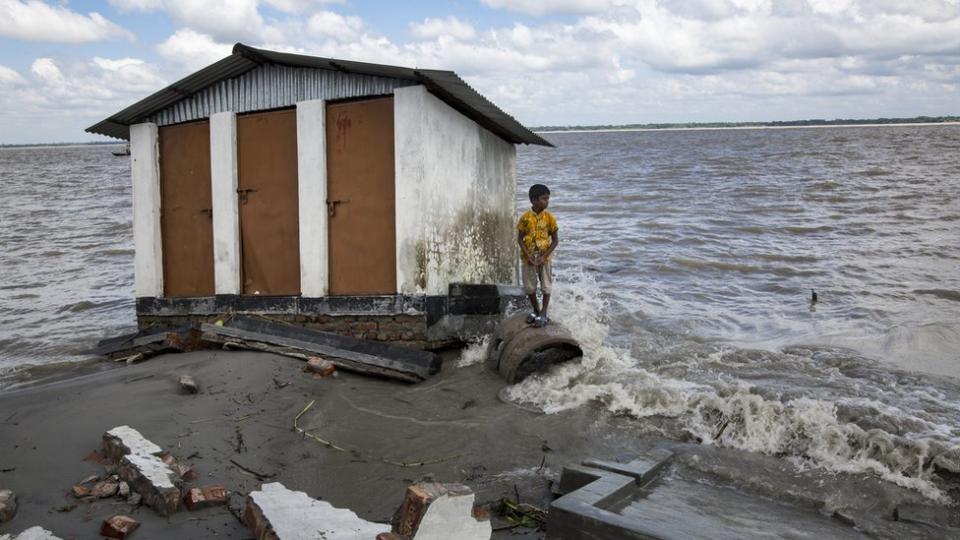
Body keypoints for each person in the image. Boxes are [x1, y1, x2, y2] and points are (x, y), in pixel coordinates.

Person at [517, 184, 559, 327]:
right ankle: (536, 309)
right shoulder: (525, 218)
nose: (547, 202)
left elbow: (555, 240)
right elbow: (519, 239)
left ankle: (544, 312)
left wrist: (544, 256)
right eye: (544, 199)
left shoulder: (550, 218)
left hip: (544, 257)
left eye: (548, 199)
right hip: (528, 258)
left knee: (546, 285)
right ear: (533, 200)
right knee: (530, 287)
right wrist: (528, 255)